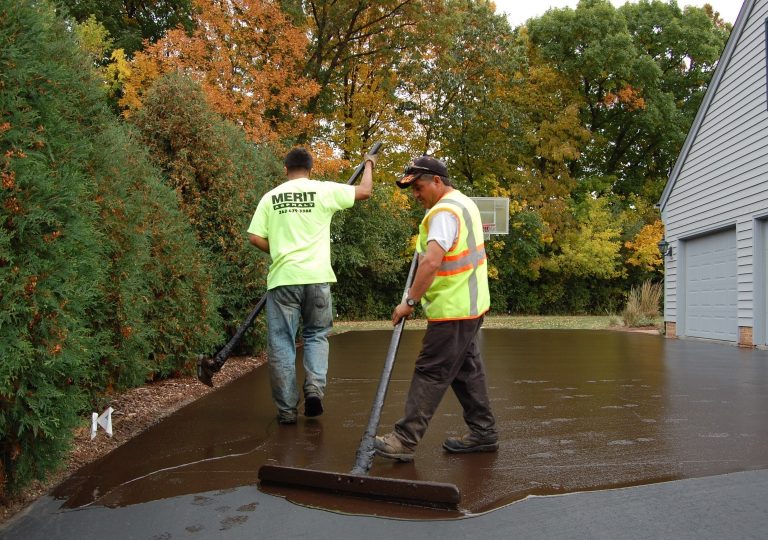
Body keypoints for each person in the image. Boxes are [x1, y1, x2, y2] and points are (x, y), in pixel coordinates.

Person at [374, 155, 497, 461]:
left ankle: (405, 440)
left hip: (453, 310)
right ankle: (484, 433)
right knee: (466, 372)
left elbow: (431, 262)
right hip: (470, 306)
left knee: (430, 371)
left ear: (437, 181)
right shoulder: (463, 203)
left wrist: (409, 303)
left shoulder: (443, 213)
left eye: (418, 187)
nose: (415, 194)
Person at [247, 147, 376, 424]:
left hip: (283, 280)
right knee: (316, 335)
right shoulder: (322, 190)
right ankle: (314, 389)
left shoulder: (271, 198)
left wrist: (280, 251)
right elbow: (364, 191)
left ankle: (286, 411)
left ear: (285, 169)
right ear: (310, 168)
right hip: (317, 278)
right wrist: (368, 164)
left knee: (282, 343)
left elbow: (255, 237)